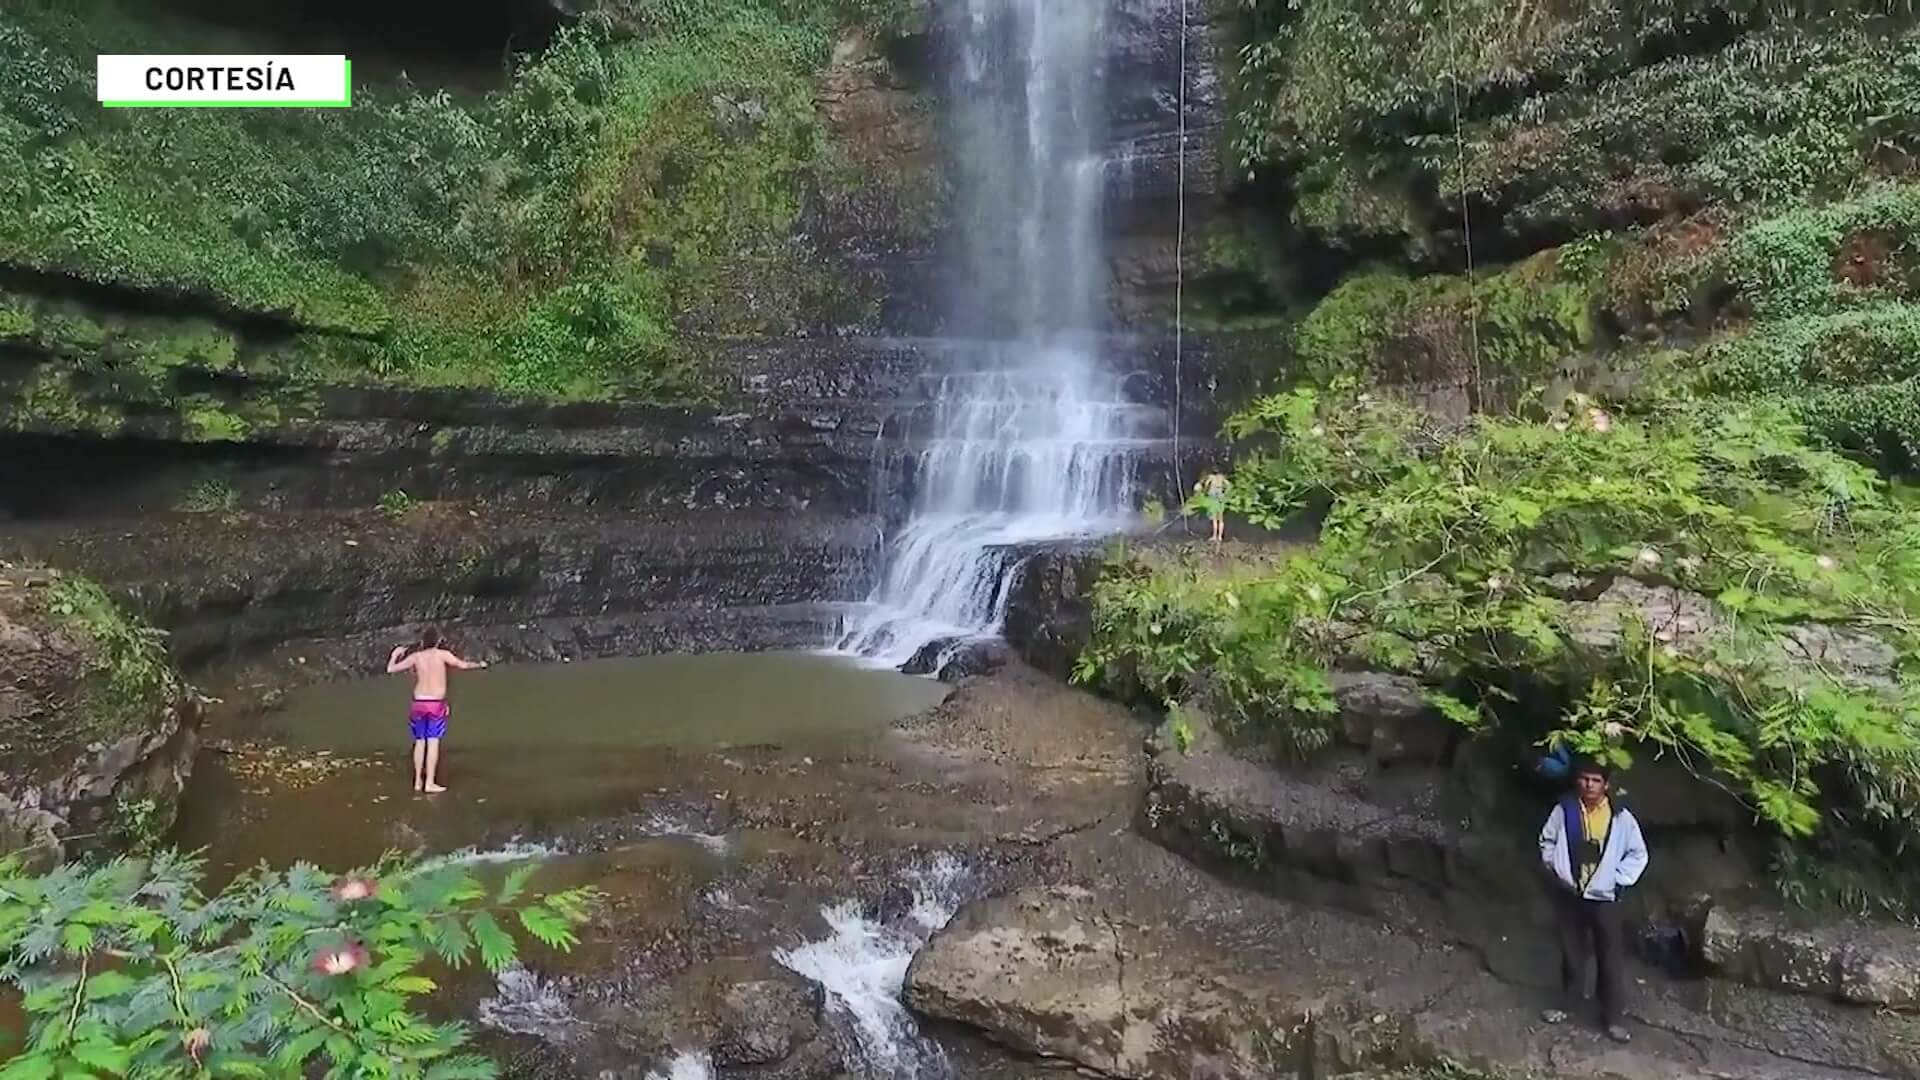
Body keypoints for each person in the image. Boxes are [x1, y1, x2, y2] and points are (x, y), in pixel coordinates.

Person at [1537, 758, 1648, 1043]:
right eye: (1584, 779)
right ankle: (1566, 1004)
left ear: (1606, 784)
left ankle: (1612, 1017)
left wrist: (1619, 879)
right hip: (1572, 892)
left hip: (1605, 896)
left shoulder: (1620, 816)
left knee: (1609, 957)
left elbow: (1638, 853)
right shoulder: (1566, 809)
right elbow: (1546, 840)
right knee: (1571, 951)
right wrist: (1556, 865)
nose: (1588, 785)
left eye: (1595, 780)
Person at [385, 626, 487, 794]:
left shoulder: (416, 657)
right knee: (433, 742)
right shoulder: (443, 655)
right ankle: (430, 783)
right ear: (438, 641)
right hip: (435, 704)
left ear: (423, 642)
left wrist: (394, 656)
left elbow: (391, 669)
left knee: (419, 741)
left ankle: (418, 781)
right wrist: (479, 664)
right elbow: (462, 665)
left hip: (418, 703)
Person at [1191, 470, 1230, 545]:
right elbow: (1228, 485)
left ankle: (1214, 536)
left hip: (1213, 499)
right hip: (1220, 499)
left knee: (1214, 519)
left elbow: (1206, 484)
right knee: (1221, 519)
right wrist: (1224, 492)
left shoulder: (1211, 477)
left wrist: (1205, 490)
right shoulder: (1221, 477)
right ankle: (1220, 536)